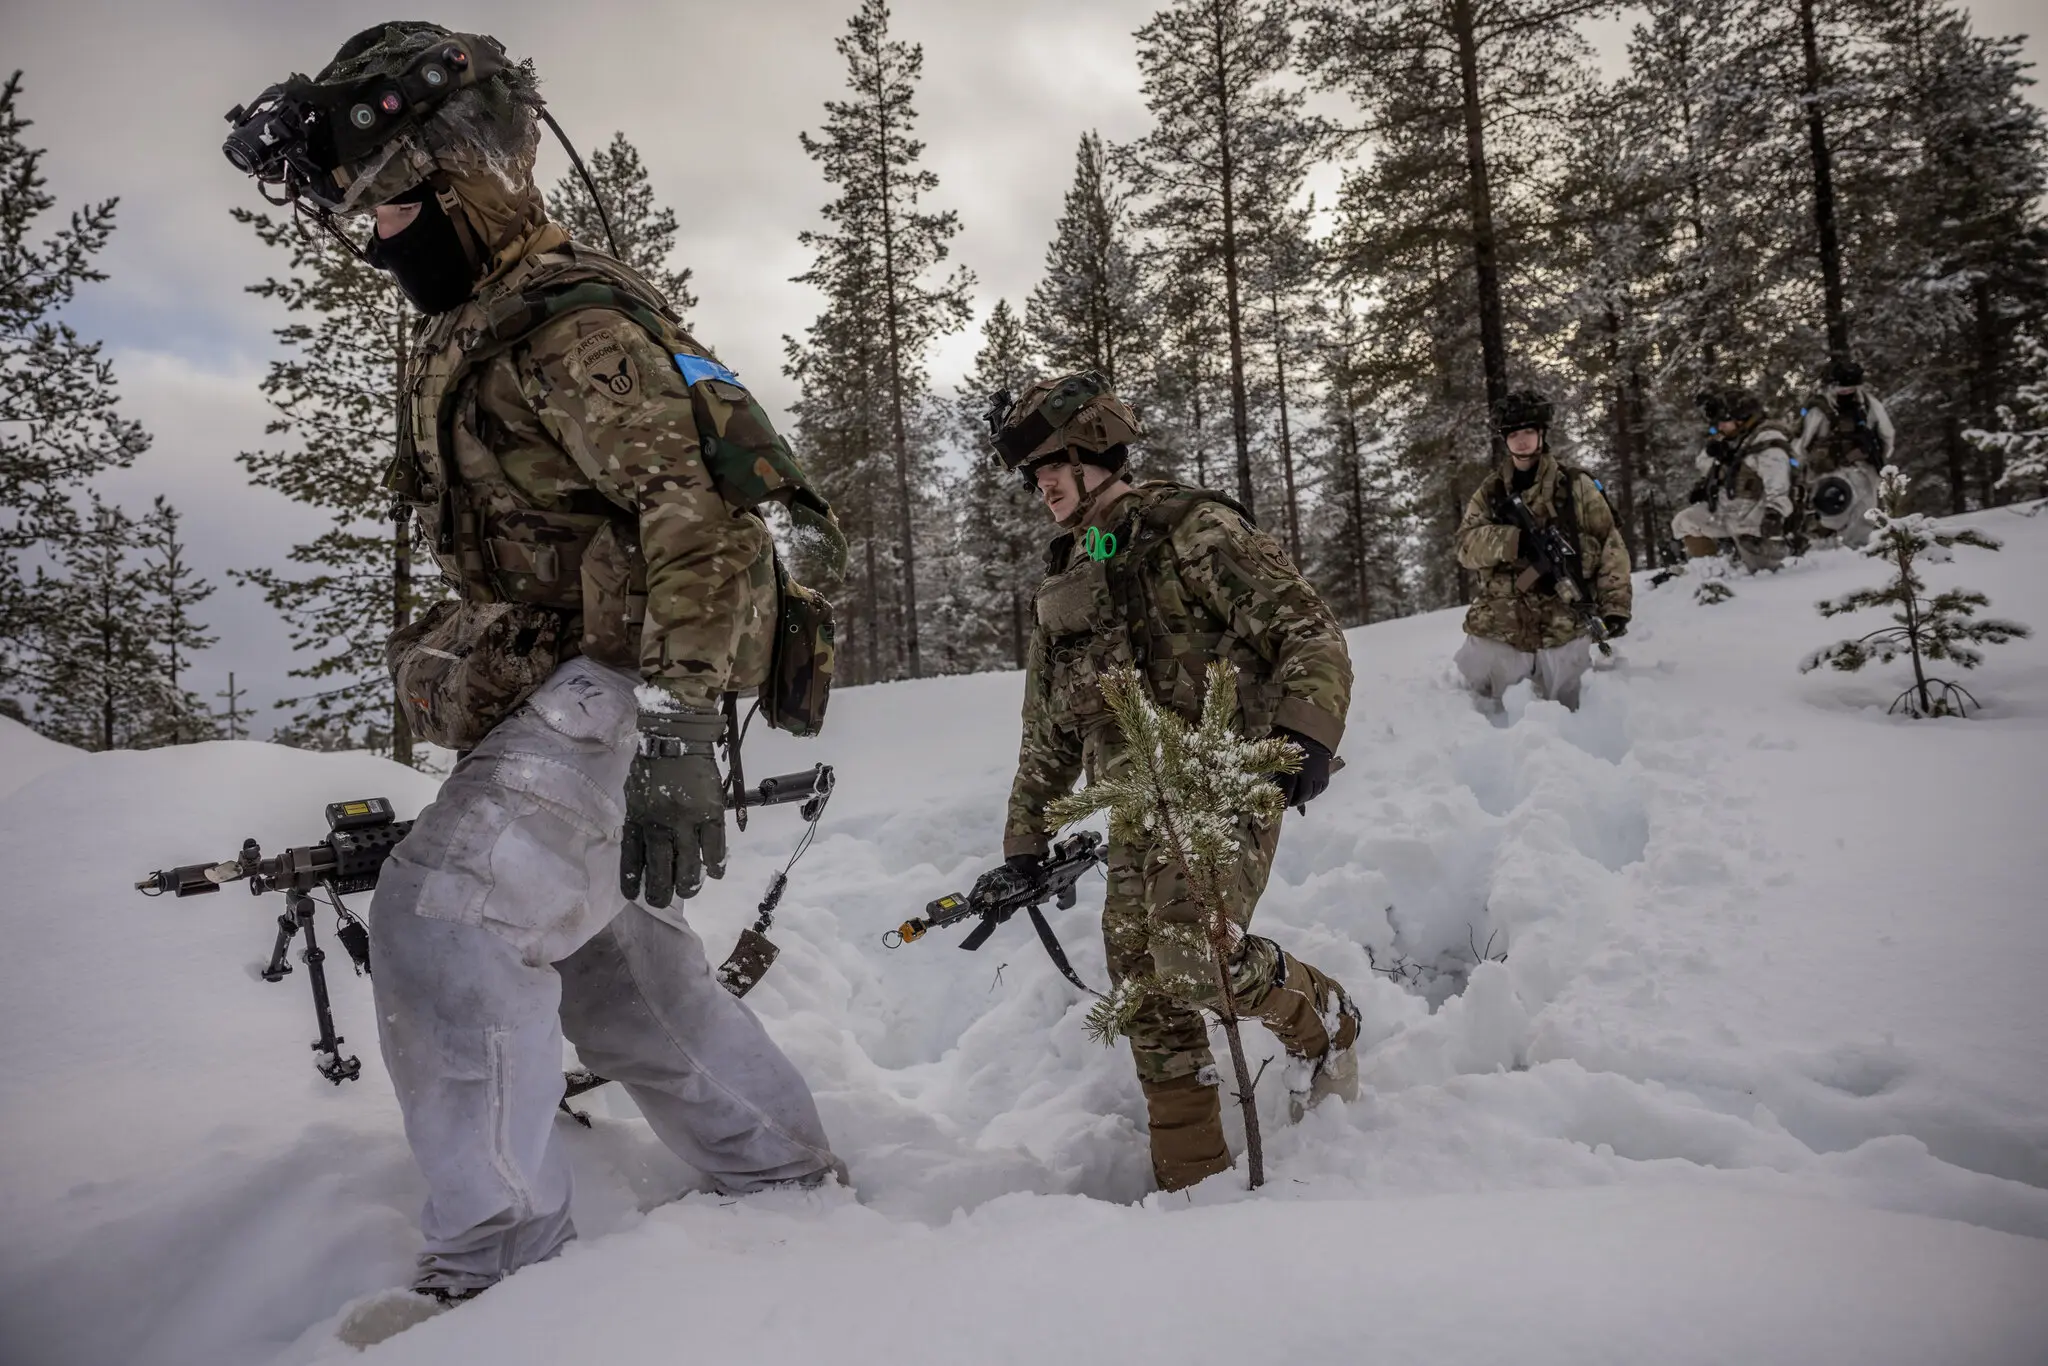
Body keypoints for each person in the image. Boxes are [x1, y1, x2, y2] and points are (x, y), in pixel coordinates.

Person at [223, 23, 844, 1320]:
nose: (381, 235)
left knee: (446, 915)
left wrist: (673, 728)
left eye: (394, 201)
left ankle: (498, 1276)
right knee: (615, 961)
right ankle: (785, 1175)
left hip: (616, 680)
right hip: (570, 678)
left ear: (467, 180)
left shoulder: (577, 328)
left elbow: (703, 520)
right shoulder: (481, 317)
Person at [989, 372, 1361, 1192]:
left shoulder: (1193, 530)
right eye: (1031, 472)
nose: (1041, 483)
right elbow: (1049, 724)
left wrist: (1303, 737)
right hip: (1131, 804)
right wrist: (1025, 837)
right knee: (1144, 991)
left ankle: (1326, 1023)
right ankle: (1193, 1187)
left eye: (1051, 462)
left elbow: (1310, 631)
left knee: (1197, 956)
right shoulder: (1070, 572)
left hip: (1225, 782)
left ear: (1095, 452)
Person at [1454, 390, 1632, 712]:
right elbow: (1465, 547)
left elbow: (1611, 544)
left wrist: (1615, 606)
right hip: (1503, 627)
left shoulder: (1577, 486)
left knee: (1575, 710)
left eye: (1529, 433)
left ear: (1542, 435)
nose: (1522, 442)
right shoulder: (1491, 492)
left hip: (1563, 625)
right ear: (1505, 440)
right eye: (1514, 434)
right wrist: (1512, 541)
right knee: (1480, 697)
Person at [1672, 389, 1797, 571]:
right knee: (1685, 521)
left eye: (1724, 422)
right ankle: (1710, 568)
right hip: (1727, 513)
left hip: (1753, 522)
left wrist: (1774, 516)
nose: (1720, 427)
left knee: (1762, 574)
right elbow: (1703, 465)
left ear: (1741, 419)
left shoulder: (1767, 442)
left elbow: (1778, 487)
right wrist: (1713, 454)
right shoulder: (1734, 439)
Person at [1795, 359, 1894, 549]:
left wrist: (1877, 459)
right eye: (1842, 388)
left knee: (1864, 516)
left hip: (1863, 469)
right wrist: (1798, 470)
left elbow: (1887, 436)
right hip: (1827, 472)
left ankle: (1857, 555)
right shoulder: (1818, 409)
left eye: (1851, 387)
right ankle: (1825, 553)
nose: (1847, 392)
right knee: (1830, 516)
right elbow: (1800, 443)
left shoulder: (1868, 404)